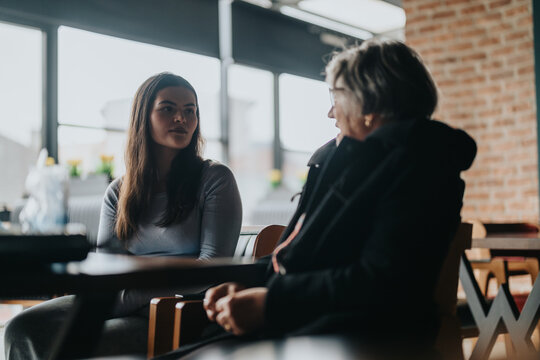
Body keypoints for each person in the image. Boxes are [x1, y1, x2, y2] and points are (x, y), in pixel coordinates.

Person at [158, 39, 477, 359]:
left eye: (335, 96)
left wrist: (272, 303)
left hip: (349, 339)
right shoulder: (350, 164)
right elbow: (298, 256)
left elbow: (381, 282)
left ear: (367, 103)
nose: (330, 111)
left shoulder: (420, 168)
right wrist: (244, 282)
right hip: (307, 327)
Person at [4, 72, 242, 359]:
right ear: (143, 117)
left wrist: (125, 298)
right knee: (20, 328)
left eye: (190, 110)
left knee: (53, 343)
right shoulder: (119, 190)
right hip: (118, 301)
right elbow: (106, 265)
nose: (181, 118)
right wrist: (112, 299)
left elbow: (212, 268)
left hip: (174, 313)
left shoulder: (215, 179)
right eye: (168, 108)